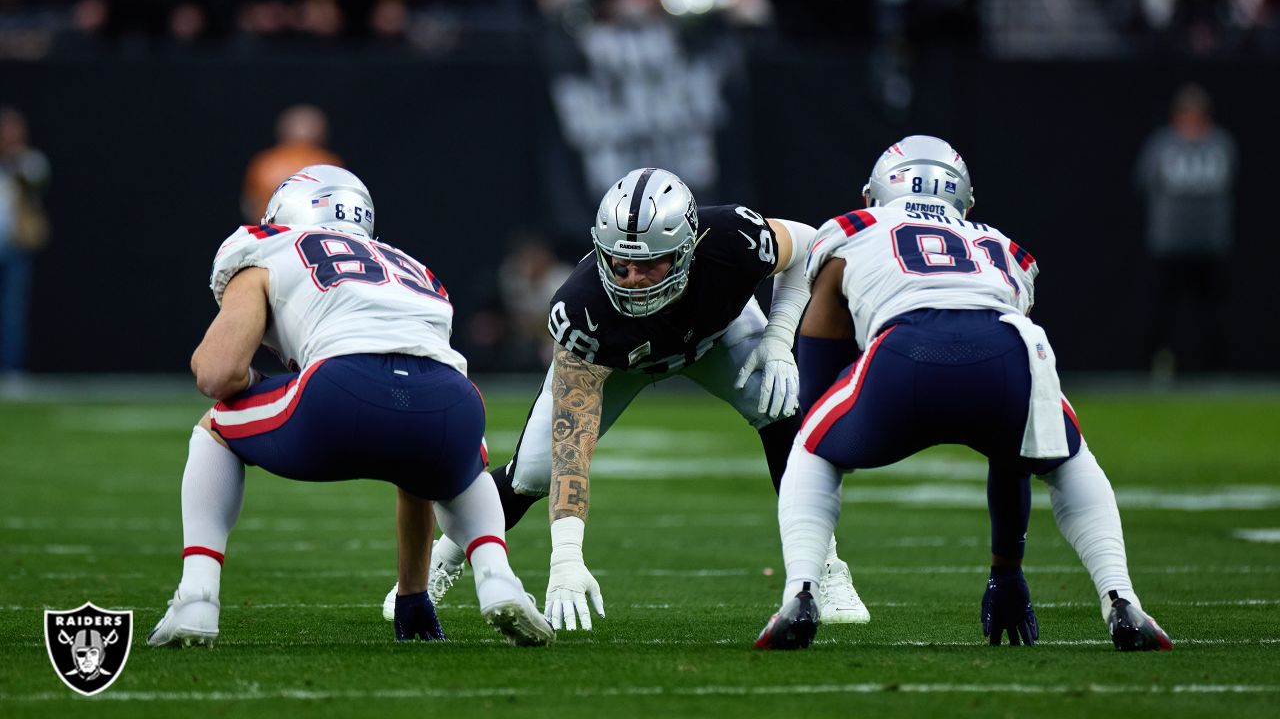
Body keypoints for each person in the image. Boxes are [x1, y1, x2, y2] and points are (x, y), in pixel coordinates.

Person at [385, 167, 870, 630]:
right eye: (621, 262)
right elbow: (572, 450)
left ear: (687, 248)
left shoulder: (731, 236)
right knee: (534, 471)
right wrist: (566, 557)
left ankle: (825, 568)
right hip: (621, 361)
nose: (632, 277)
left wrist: (780, 336)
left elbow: (810, 244)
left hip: (714, 337)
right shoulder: (583, 308)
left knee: (777, 402)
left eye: (649, 263)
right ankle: (440, 560)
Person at [755, 136, 1174, 652]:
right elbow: (1015, 451)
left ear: (876, 192)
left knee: (809, 445)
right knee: (1067, 458)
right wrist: (1007, 571)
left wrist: (824, 435)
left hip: (906, 353)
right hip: (1008, 349)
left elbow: (819, 363)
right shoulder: (1001, 246)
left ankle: (801, 591)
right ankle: (1122, 599)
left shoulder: (853, 229)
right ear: (965, 201)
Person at [148, 165, 552, 648]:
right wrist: (413, 593)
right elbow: (414, 466)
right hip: (453, 404)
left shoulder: (266, 246)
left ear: (286, 210)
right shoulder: (411, 268)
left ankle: (196, 598)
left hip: (342, 392)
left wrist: (259, 379)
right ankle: (498, 578)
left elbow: (217, 374)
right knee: (463, 460)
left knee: (216, 427)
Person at [1135, 83, 1237, 378]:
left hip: (1210, 243)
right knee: (1162, 310)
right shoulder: (1162, 144)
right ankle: (1155, 366)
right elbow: (1143, 182)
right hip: (1169, 243)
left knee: (1211, 311)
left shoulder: (1221, 144)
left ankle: (1215, 369)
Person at [0, 107, 51, 376]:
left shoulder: (30, 161)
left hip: (16, 246)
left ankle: (11, 369)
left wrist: (13, 159)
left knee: (12, 311)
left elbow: (35, 180)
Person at [241, 104, 342, 223]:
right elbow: (336, 205)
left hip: (270, 233)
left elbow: (250, 205)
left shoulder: (263, 163)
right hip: (315, 234)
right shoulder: (329, 164)